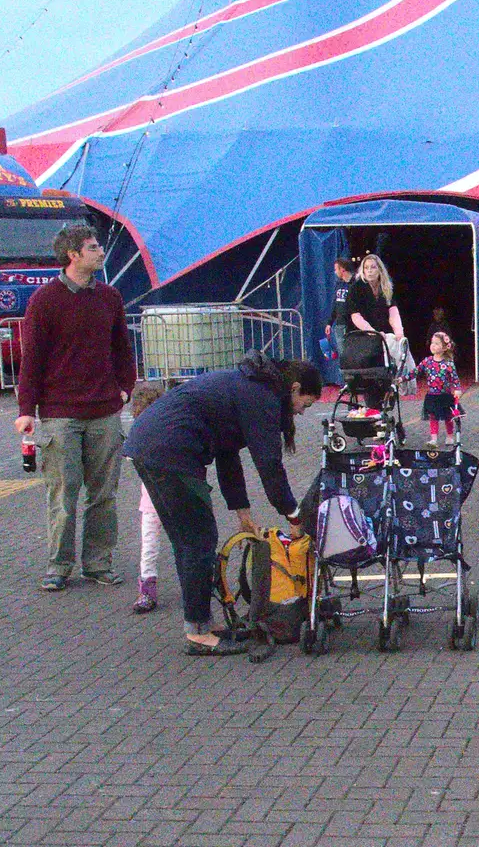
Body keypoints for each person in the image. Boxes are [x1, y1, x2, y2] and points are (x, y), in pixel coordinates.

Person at [123, 355, 322, 656]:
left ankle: (202, 622)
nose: (302, 412)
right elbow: (269, 464)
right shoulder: (262, 397)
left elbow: (228, 453)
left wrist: (242, 512)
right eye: (304, 404)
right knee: (198, 542)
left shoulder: (250, 386)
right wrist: (293, 514)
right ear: (293, 388)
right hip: (170, 450)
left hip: (153, 445)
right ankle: (197, 633)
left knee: (189, 542)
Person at [16, 224, 137, 592]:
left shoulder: (110, 297)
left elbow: (122, 347)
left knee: (104, 494)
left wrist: (125, 389)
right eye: (93, 247)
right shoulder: (44, 300)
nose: (101, 251)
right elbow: (31, 358)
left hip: (104, 410)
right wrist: (26, 409)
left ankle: (98, 563)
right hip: (59, 413)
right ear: (73, 255)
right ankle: (59, 566)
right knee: (63, 495)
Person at [129, 382, 167, 614]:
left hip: (169, 498)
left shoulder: (170, 431)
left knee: (182, 543)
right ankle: (147, 588)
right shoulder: (139, 435)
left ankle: (148, 589)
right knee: (149, 545)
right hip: (152, 500)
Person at [418, 331, 461, 445]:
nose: (433, 345)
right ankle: (434, 439)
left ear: (444, 347)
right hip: (432, 395)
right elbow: (416, 371)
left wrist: (457, 388)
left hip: (445, 395)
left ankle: (450, 436)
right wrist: (403, 378)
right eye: (432, 342)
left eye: (437, 343)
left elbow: (454, 378)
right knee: (433, 417)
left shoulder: (448, 363)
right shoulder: (427, 361)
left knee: (448, 417)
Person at [328, 257, 355, 356]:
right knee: (342, 354)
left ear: (342, 269)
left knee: (352, 352)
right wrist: (329, 323)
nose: (335, 272)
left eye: (336, 269)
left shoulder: (355, 284)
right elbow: (336, 305)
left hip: (352, 325)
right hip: (340, 324)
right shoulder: (339, 285)